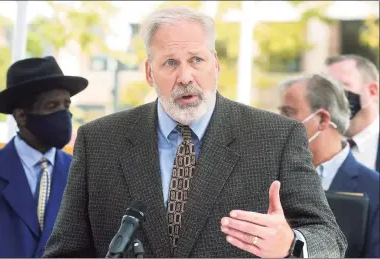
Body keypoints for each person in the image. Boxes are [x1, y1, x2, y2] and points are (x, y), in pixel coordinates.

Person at [43, 7, 346, 258]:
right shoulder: (99, 141)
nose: (185, 76)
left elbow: (330, 238)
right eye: (170, 63)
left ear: (214, 64)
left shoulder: (276, 137)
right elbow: (66, 251)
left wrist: (291, 244)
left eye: (196, 60)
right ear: (150, 72)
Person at [0, 56, 88, 258]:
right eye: (51, 106)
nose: (63, 115)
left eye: (66, 106)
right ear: (21, 116)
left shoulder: (81, 174)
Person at [278, 73, 379, 258]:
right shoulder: (273, 177)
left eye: (288, 113)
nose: (278, 121)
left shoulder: (375, 189)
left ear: (323, 119)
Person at [325, 54, 379, 172]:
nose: (331, 96)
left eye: (340, 86)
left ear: (372, 91)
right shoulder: (316, 145)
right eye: (326, 89)